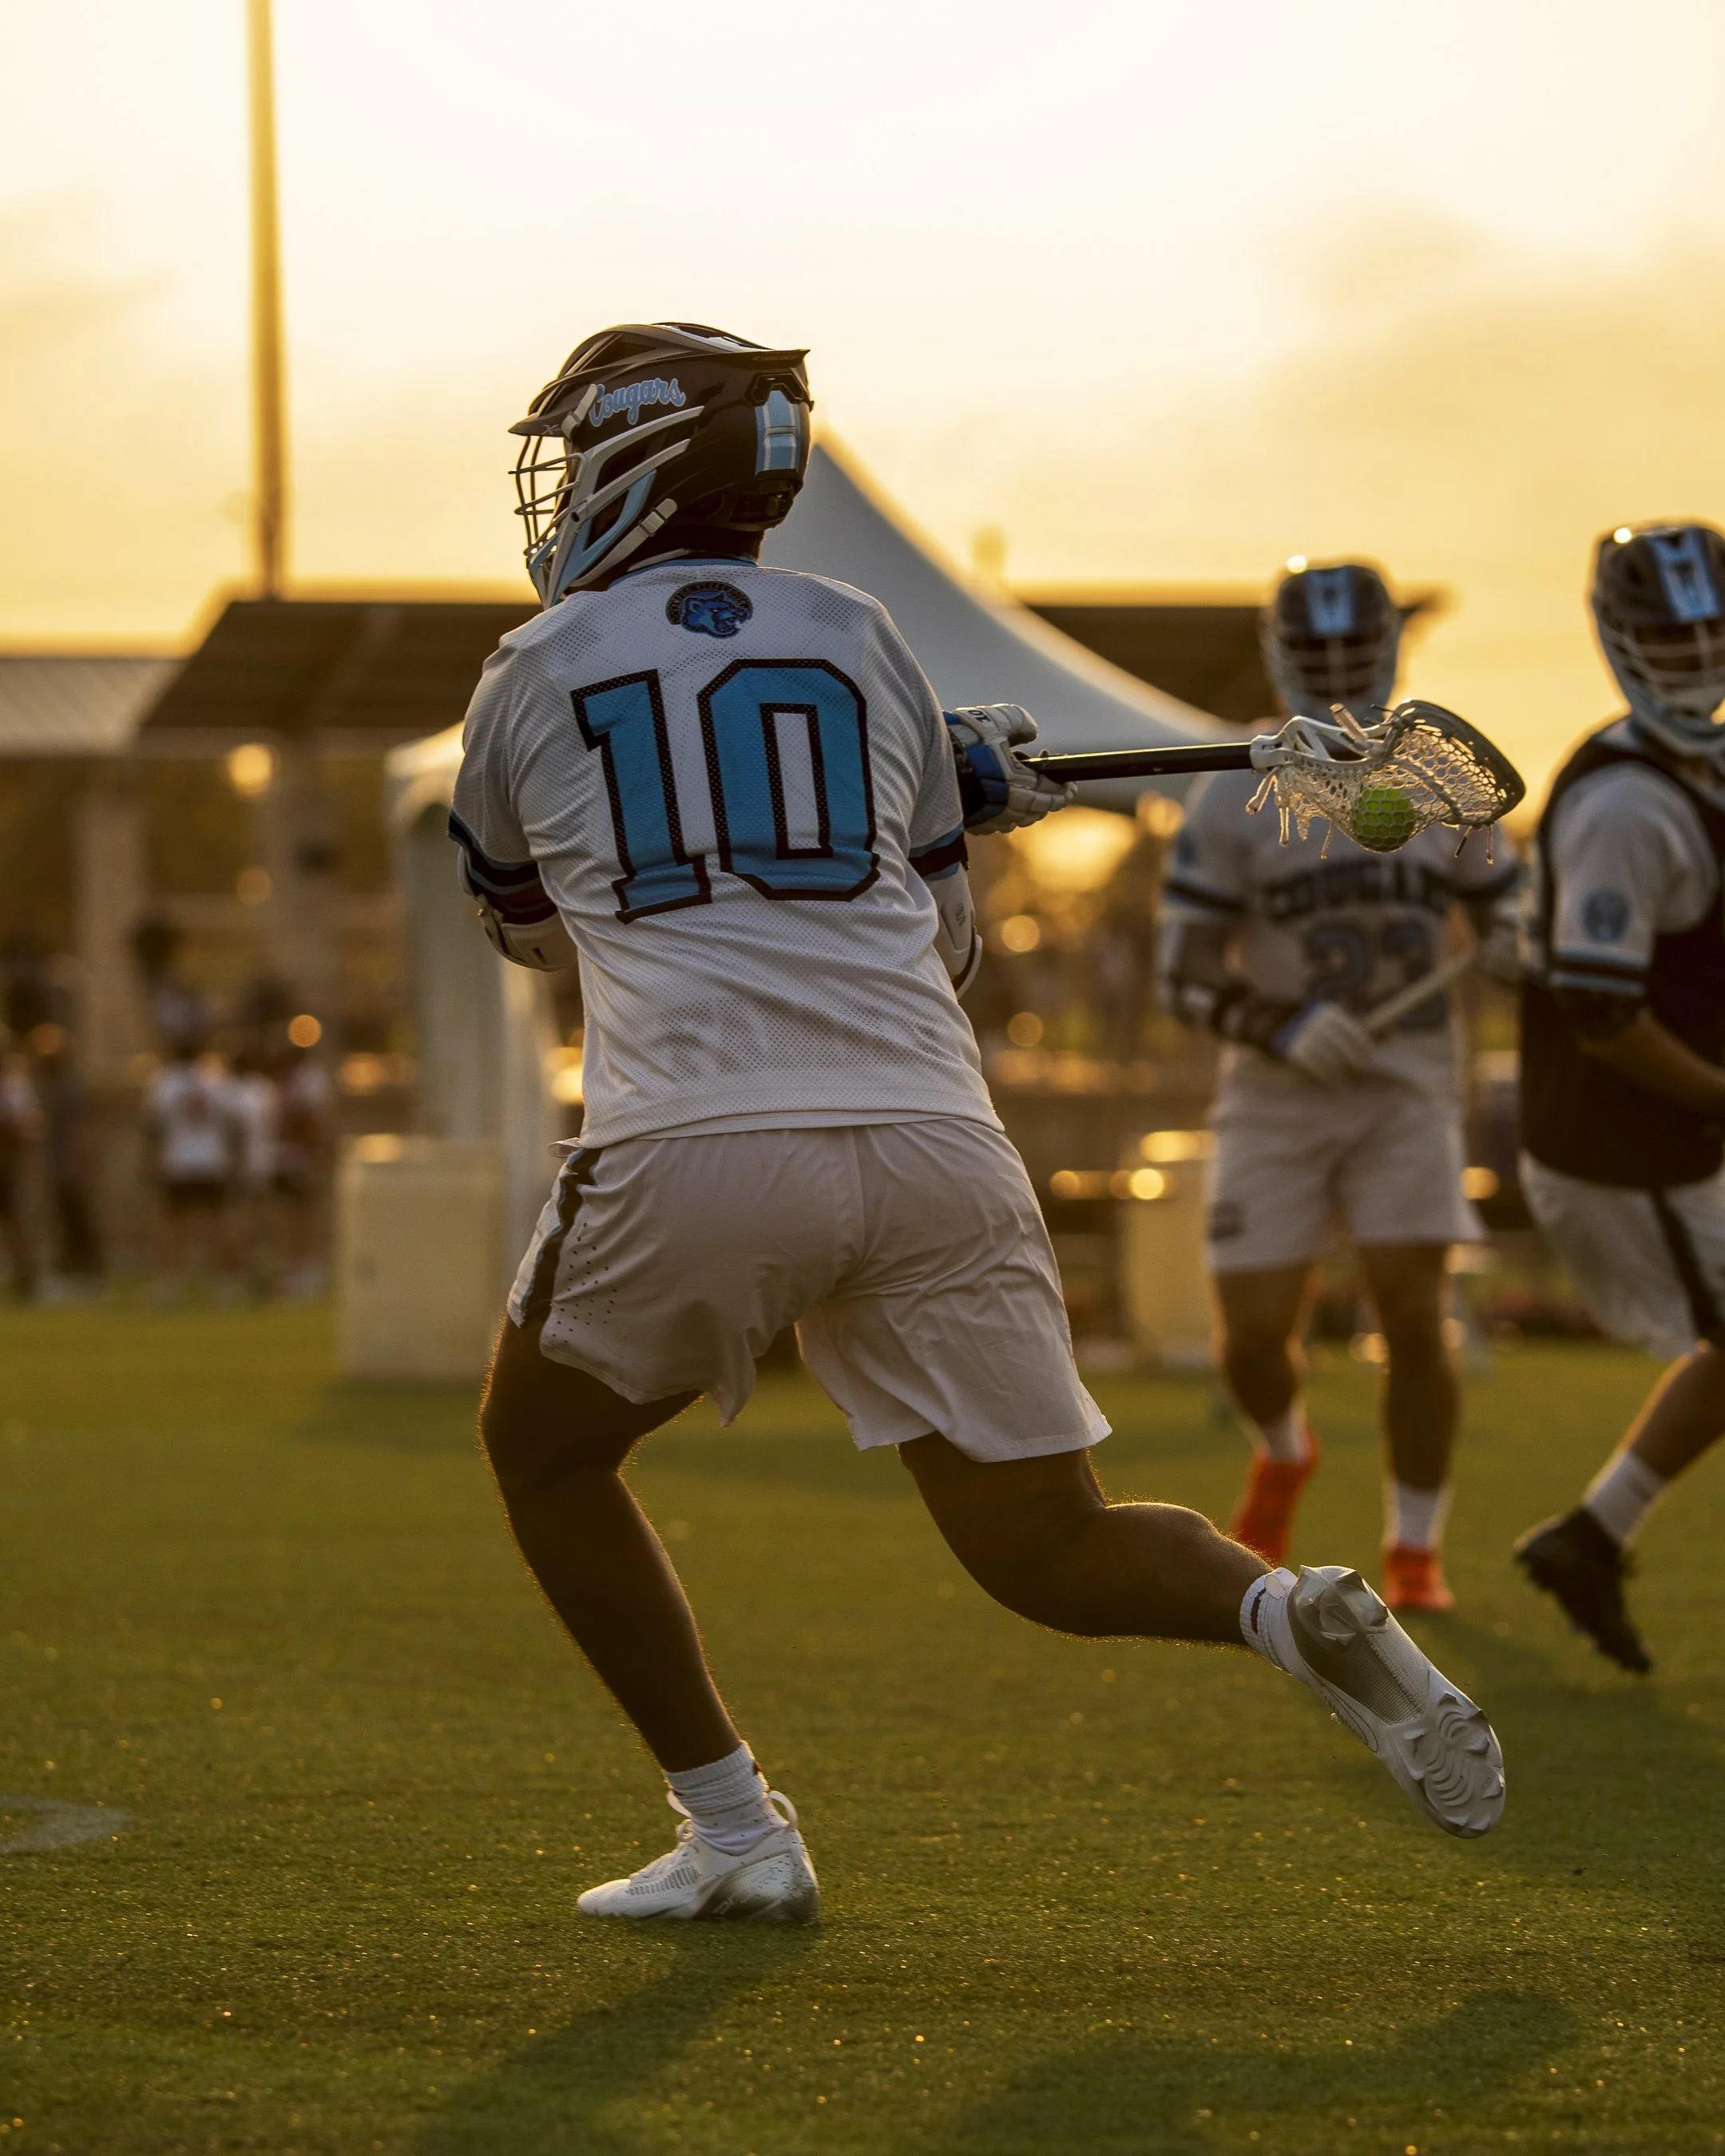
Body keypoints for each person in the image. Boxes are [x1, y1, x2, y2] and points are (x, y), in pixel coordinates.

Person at [457, 323, 1504, 1924]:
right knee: (1050, 1546)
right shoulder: (864, 631)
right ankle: (1290, 1611)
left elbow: (531, 929)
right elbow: (939, 935)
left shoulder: (533, 668)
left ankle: (736, 1829)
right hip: (934, 1132)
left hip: (701, 1134)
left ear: (635, 467)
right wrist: (952, 792)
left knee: (540, 1452)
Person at [1160, 561, 1521, 1611]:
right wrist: (1278, 1021)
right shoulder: (1233, 785)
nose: (1335, 670)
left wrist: (1516, 940)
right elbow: (1182, 974)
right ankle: (1283, 1450)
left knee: (1415, 1310)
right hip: (1277, 1092)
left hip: (1406, 1078)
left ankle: (1415, 1547)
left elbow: (1503, 916)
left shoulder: (1441, 772)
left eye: (1352, 651)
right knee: (1257, 1333)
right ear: (1281, 654)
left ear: (1390, 649)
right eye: (1313, 653)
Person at [1515, 523, 1725, 1673]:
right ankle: (1590, 1535)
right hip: (1623, 1142)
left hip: (1669, 1132)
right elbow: (1605, 1020)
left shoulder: (1687, 769)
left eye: (1708, 629)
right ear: (1616, 636)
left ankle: (1590, 1536)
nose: (1692, 655)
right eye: (1666, 633)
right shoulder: (1629, 803)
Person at [144, 1038, 240, 1298]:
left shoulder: (163, 1081)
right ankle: (224, 1282)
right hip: (211, 1160)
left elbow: (153, 1125)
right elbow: (232, 1122)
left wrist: (151, 1158)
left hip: (178, 1161)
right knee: (216, 1223)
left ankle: (168, 1283)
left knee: (172, 1225)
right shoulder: (216, 1079)